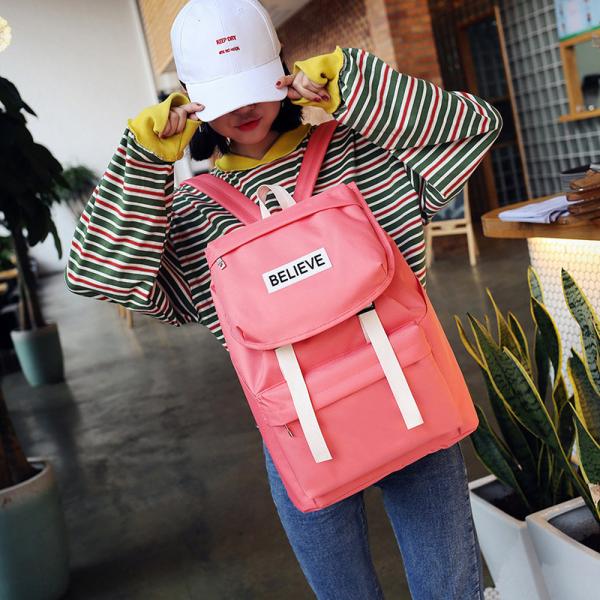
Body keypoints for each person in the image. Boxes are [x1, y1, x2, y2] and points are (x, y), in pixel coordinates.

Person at [65, 1, 502, 598]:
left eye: (251, 86)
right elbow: (98, 276)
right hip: (303, 428)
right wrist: (143, 160)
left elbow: (476, 127)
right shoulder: (191, 214)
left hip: (404, 400)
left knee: (448, 591)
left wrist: (355, 83)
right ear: (191, 101)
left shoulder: (360, 153)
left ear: (280, 69)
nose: (242, 108)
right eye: (222, 97)